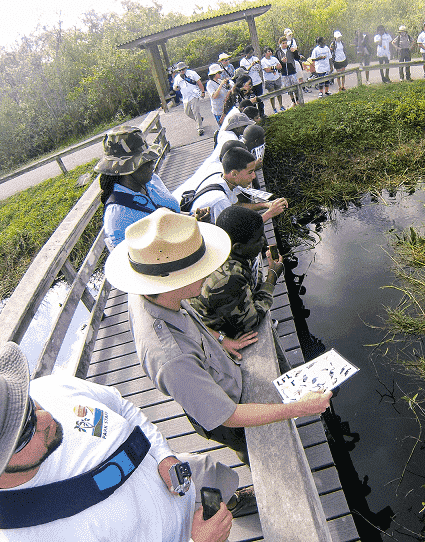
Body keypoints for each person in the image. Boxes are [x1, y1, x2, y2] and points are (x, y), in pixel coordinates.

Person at [103, 209, 332, 466]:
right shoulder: (173, 360)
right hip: (227, 414)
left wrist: (221, 339)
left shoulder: (151, 291)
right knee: (255, 449)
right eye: (198, 270)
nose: (210, 273)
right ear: (171, 282)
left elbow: (188, 316)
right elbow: (229, 416)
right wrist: (300, 408)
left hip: (224, 377)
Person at [0, 340, 252, 542]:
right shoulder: (29, 535)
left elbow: (122, 407)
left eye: (29, 404)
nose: (46, 418)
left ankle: (233, 502)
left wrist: (162, 455)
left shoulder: (51, 389)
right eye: (24, 432)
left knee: (214, 475)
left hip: (182, 479)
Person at [191, 206, 284, 343]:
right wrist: (272, 277)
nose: (263, 241)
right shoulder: (227, 279)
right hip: (218, 330)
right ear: (238, 247)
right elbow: (252, 322)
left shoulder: (226, 245)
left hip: (229, 300)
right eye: (258, 239)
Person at [95, 126, 182, 251]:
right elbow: (128, 260)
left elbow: (173, 213)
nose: (152, 164)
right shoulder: (117, 216)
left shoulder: (152, 180)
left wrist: (192, 217)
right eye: (144, 161)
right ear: (126, 168)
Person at [176, 143, 287, 224]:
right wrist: (270, 213)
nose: (254, 176)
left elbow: (236, 206)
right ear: (234, 174)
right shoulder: (220, 201)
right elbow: (239, 234)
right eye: (250, 172)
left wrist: (266, 204)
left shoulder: (219, 177)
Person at [173, 61, 206, 136]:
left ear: (185, 68)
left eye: (183, 69)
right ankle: (199, 119)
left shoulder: (192, 73)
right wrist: (176, 88)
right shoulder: (177, 78)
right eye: (180, 70)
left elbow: (199, 82)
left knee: (195, 111)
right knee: (187, 112)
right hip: (185, 97)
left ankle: (200, 128)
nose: (182, 71)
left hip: (194, 94)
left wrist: (203, 91)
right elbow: (175, 87)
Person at [239, 46, 265, 119]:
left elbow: (259, 69)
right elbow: (244, 72)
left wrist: (259, 63)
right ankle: (254, 116)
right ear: (246, 53)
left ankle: (262, 114)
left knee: (260, 99)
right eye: (249, 53)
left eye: (252, 52)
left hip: (258, 81)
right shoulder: (242, 62)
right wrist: (251, 66)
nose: (250, 54)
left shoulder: (255, 58)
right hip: (249, 84)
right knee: (252, 101)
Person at [276, 35, 300, 107]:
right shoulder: (278, 52)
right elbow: (276, 62)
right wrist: (281, 61)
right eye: (283, 43)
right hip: (284, 72)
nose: (285, 45)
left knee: (295, 86)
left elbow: (297, 58)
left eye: (286, 43)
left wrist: (295, 52)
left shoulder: (290, 49)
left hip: (292, 70)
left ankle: (298, 100)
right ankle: (293, 101)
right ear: (280, 43)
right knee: (288, 88)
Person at [260, 47, 284, 114]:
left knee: (279, 92)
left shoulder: (274, 58)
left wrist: (272, 68)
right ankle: (274, 108)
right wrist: (275, 67)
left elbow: (280, 66)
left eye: (271, 51)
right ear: (265, 53)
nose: (270, 52)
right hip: (268, 80)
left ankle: (281, 106)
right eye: (268, 51)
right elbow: (267, 70)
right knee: (271, 94)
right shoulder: (263, 61)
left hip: (277, 78)